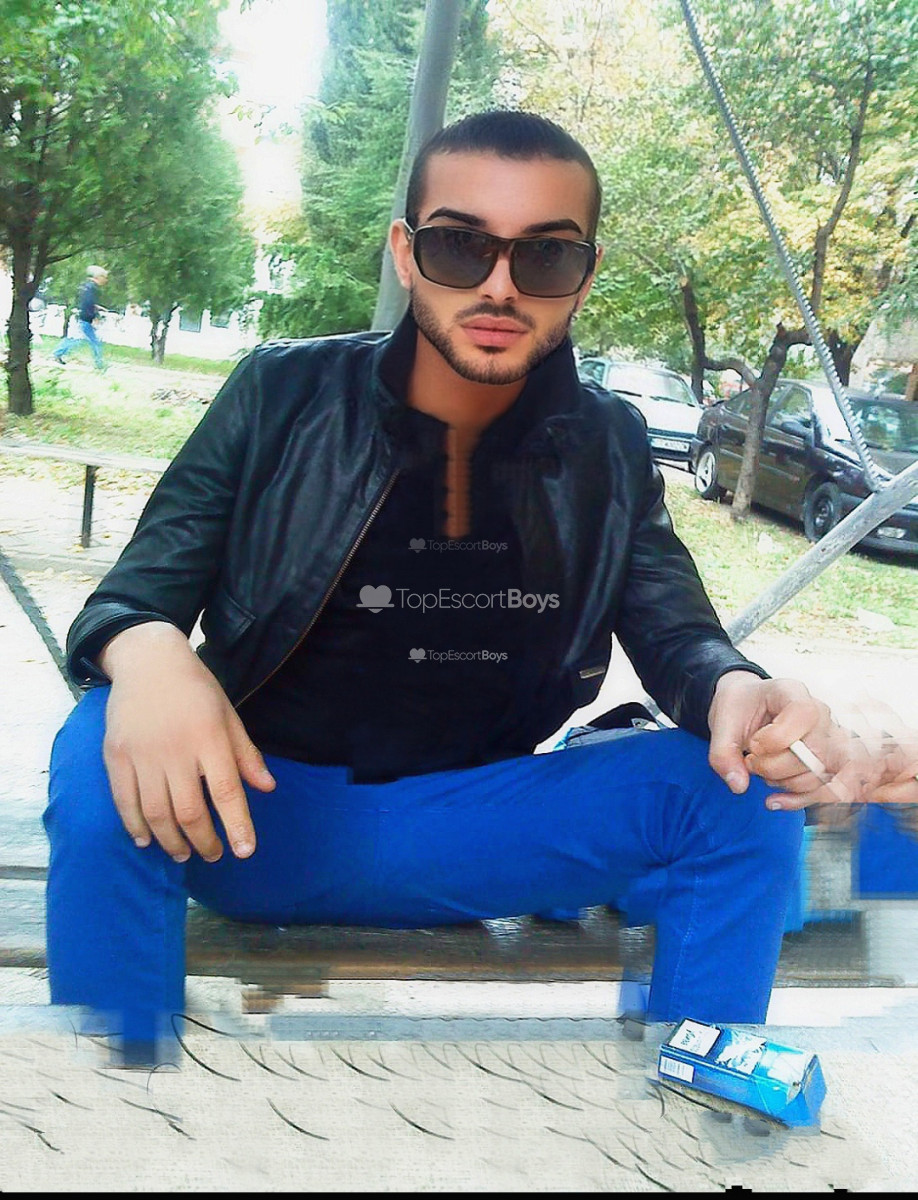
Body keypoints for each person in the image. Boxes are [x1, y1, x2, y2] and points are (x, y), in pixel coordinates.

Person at [43, 112, 905, 1064]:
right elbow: (133, 597)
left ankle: (702, 1090)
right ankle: (113, 1088)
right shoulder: (281, 392)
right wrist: (150, 651)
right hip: (252, 815)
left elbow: (680, 637)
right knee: (104, 735)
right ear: (405, 253)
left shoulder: (609, 444)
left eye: (545, 255)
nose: (500, 285)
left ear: (584, 274)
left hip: (482, 821)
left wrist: (740, 689)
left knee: (736, 793)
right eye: (460, 245)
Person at [51, 266, 109, 370]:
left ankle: (57, 354)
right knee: (94, 342)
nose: (105, 280)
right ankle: (99, 364)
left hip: (82, 317)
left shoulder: (86, 286)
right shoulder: (93, 288)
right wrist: (94, 317)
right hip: (86, 318)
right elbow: (88, 303)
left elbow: (86, 303)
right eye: (104, 277)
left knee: (76, 339)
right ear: (98, 277)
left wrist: (96, 307)